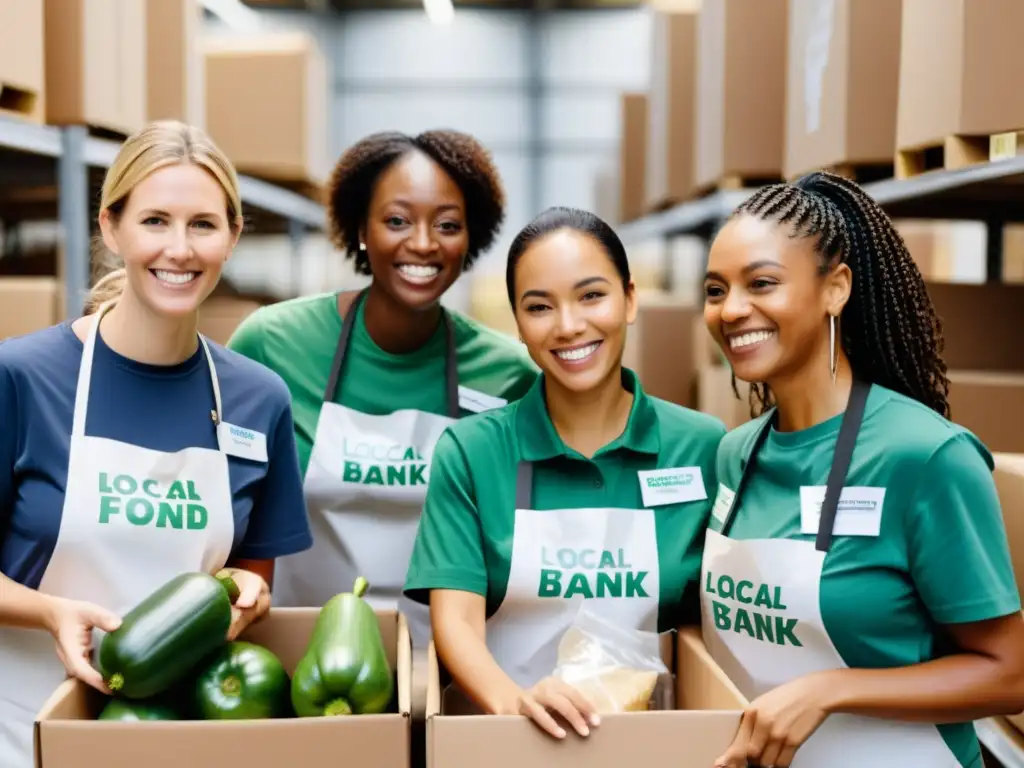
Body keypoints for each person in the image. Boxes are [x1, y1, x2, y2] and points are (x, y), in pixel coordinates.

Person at [0, 121, 312, 767]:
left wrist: (248, 599)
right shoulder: (24, 378)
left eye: (203, 224)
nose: (180, 248)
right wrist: (52, 612)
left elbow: (250, 578)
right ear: (112, 228)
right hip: (20, 726)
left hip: (180, 734)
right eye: (155, 221)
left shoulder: (258, 399)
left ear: (232, 236)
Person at [700, 170, 1024, 768]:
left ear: (836, 289)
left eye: (762, 283)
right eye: (716, 290)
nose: (732, 310)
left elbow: (1009, 675)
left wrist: (831, 691)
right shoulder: (735, 455)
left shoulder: (925, 457)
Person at [403, 206, 727, 739]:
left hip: (655, 746)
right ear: (518, 322)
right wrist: (519, 707)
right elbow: (456, 621)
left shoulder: (702, 447)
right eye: (539, 307)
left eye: (591, 295)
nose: (569, 325)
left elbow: (707, 625)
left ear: (630, 298)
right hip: (502, 740)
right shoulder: (472, 450)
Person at [227, 130, 538, 647]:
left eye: (447, 225)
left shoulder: (508, 374)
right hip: (292, 659)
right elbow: (224, 509)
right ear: (361, 230)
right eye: (396, 220)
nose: (422, 242)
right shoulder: (273, 345)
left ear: (472, 237)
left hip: (445, 666)